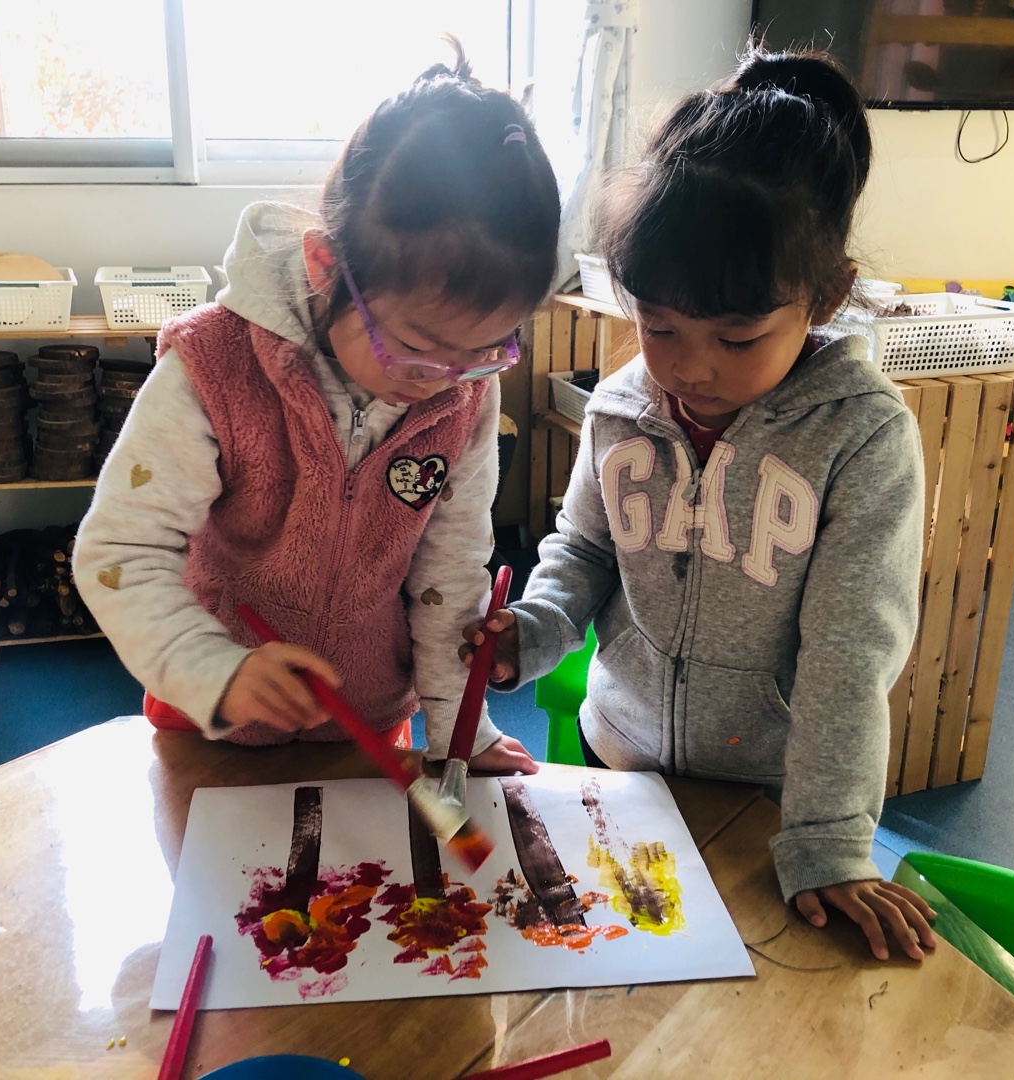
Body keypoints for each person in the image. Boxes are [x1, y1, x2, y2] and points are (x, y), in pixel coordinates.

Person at [462, 46, 937, 959]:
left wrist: (830, 842)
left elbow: (848, 659)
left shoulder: (862, 437)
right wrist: (538, 626)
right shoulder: (619, 409)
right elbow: (585, 549)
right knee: (618, 976)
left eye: (737, 337)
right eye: (660, 326)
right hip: (618, 758)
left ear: (826, 296)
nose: (691, 366)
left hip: (773, 796)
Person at [76, 41, 558, 773]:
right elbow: (119, 551)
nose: (446, 380)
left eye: (487, 350)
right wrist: (216, 672)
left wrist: (462, 732)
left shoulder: (466, 389)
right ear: (325, 265)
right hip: (210, 720)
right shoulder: (214, 365)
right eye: (417, 347)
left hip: (366, 722)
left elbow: (451, 575)